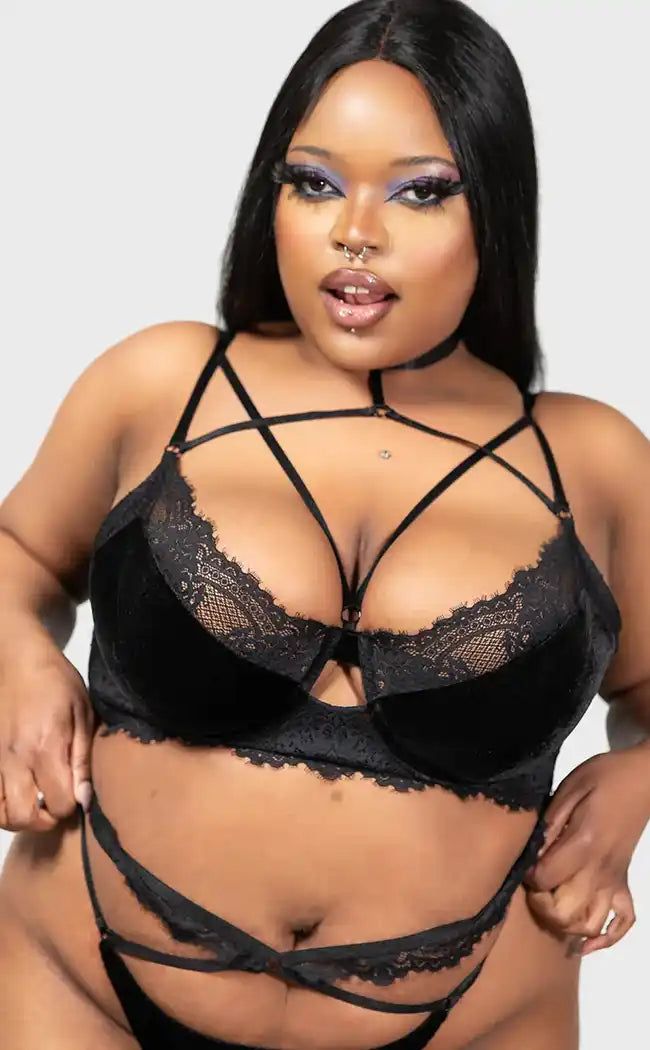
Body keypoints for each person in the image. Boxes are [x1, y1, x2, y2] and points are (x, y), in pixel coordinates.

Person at [1, 1, 649, 1047]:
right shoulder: (164, 383)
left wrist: (634, 785)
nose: (356, 230)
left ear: (495, 206)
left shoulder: (592, 463)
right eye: (313, 182)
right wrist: (17, 659)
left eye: (420, 191)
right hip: (81, 981)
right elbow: (18, 554)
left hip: (479, 1015)